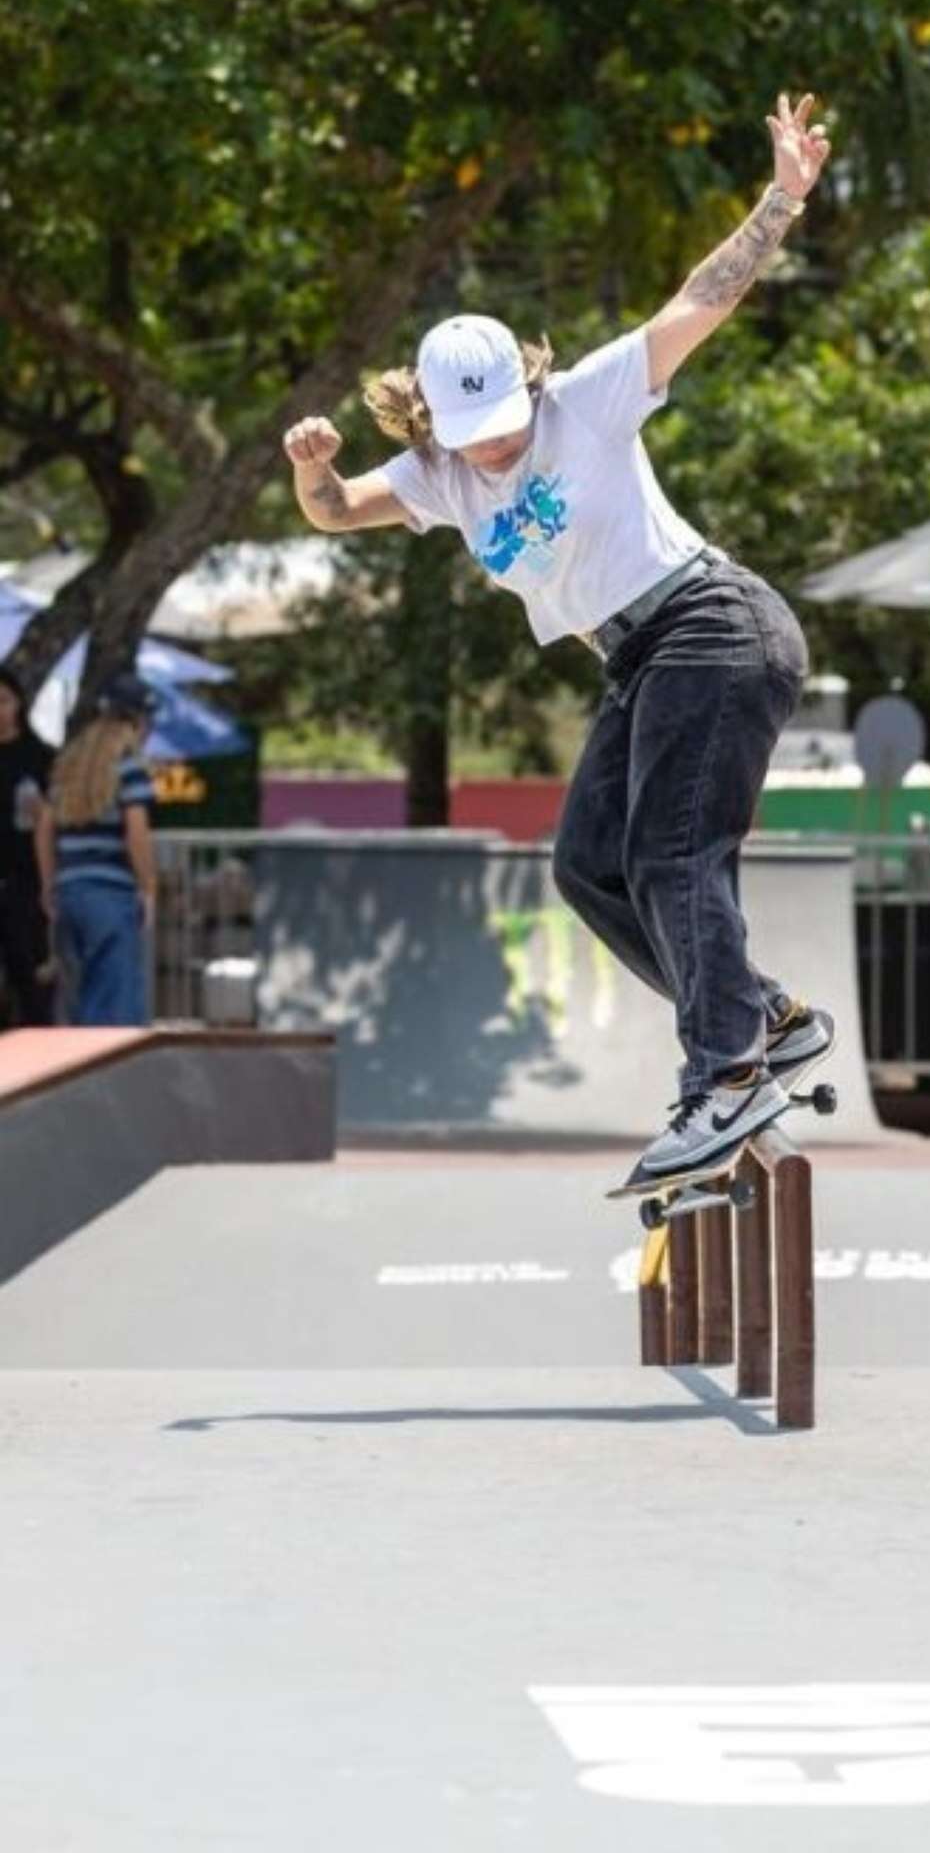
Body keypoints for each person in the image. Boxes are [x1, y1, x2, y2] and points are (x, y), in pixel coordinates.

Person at [284, 93, 833, 1178]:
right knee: (588, 867)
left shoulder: (587, 399)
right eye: (476, 440)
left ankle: (722, 1071)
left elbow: (700, 299)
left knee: (670, 851)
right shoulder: (436, 476)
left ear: (529, 388)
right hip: (641, 659)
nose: (499, 454)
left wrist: (782, 198)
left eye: (509, 430)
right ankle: (760, 1019)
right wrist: (310, 465)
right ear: (432, 420)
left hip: (710, 625)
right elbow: (338, 510)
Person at [35, 673, 158, 1027]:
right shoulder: (129, 766)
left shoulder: (69, 768)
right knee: (114, 1004)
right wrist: (148, 888)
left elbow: (44, 827)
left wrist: (49, 884)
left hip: (69, 892)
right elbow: (137, 832)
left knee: (77, 999)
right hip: (110, 894)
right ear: (138, 720)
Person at [0, 663, 56, 1026]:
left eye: (3, 701)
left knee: (32, 979)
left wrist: (48, 885)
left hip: (25, 881)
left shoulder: (40, 758)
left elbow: (50, 824)